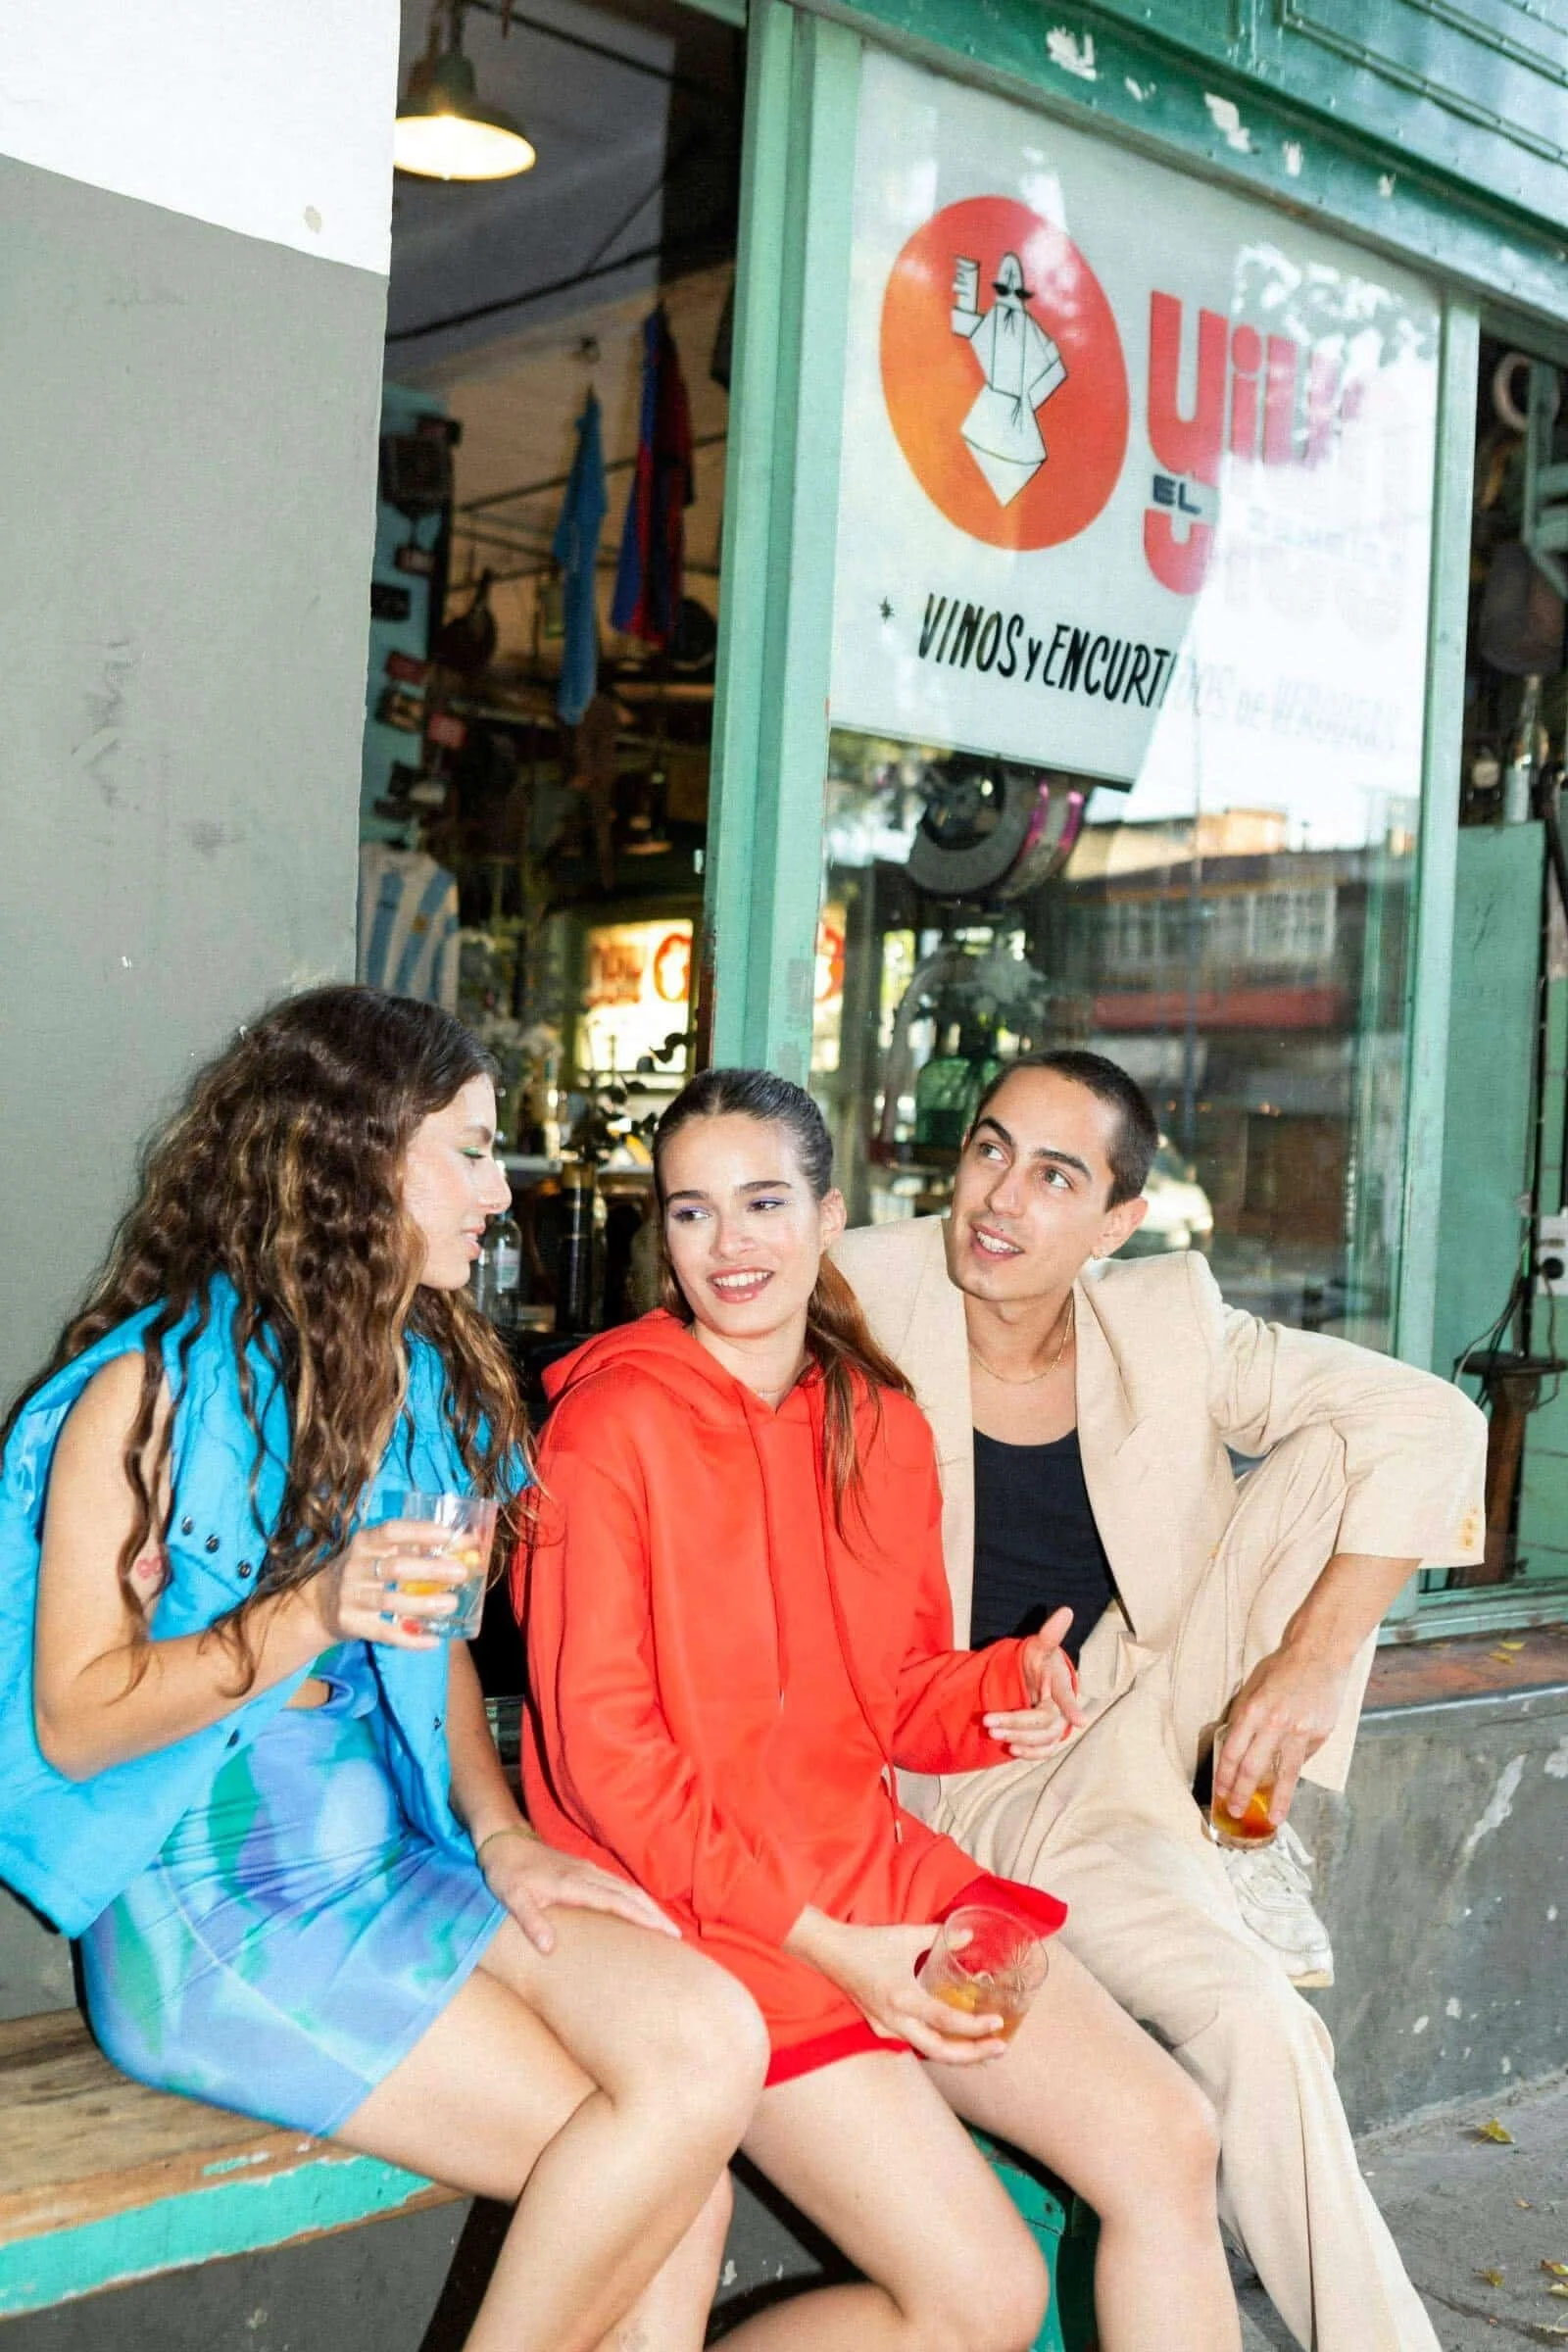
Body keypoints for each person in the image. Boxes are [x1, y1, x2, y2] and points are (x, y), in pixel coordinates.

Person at [0, 986, 768, 2352]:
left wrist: (504, 1836)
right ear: (358, 1157)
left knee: (708, 2052)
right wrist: (315, 1609)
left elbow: (447, 1658)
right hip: (213, 1910)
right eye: (471, 1149)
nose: (500, 1189)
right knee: (673, 2196)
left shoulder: (421, 1376)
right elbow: (73, 1720)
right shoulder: (148, 1392)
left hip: (401, 1867)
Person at [516, 1066, 1243, 2352]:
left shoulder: (879, 1419)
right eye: (691, 1213)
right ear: (659, 1232)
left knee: (1171, 2144)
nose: (730, 1245)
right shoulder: (605, 1430)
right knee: (986, 2298)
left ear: (830, 1213)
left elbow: (899, 1699)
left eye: (762, 1203)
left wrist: (1008, 1687)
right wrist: (828, 1946)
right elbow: (602, 1769)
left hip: (877, 1872)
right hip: (720, 1928)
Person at [831, 1049, 1490, 2352]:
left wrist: (1303, 1669)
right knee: (1259, 2022)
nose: (1001, 1198)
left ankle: (1237, 1823)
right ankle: (1209, 1854)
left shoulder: (1166, 1318)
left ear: (1117, 1224)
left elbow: (1434, 1424)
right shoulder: (861, 1288)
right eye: (989, 1150)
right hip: (949, 1768)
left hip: (1132, 1733)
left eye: (1055, 1175)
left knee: (1339, 1445)